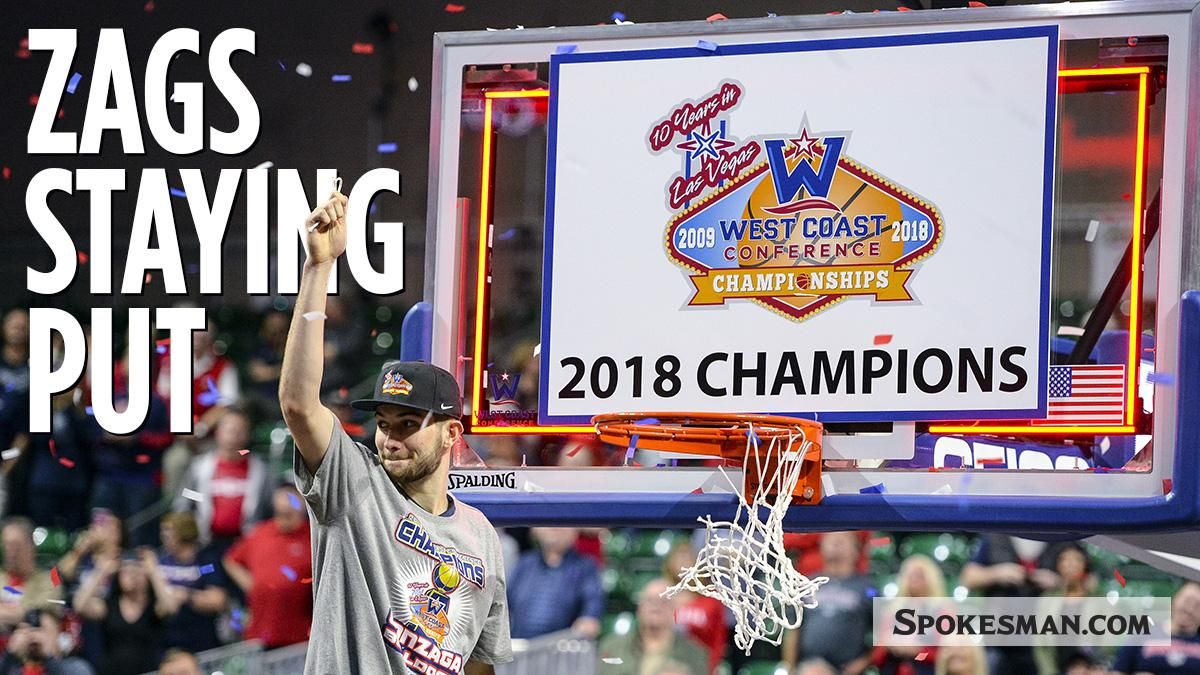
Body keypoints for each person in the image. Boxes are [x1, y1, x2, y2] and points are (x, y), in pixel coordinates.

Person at [279, 189, 511, 672]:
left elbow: (481, 664)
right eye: (384, 424)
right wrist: (318, 268)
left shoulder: (481, 535)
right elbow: (299, 404)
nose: (390, 438)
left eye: (408, 424)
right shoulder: (355, 483)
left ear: (452, 434)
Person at [961, 535, 1067, 675]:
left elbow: (1089, 579)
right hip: (1000, 637)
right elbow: (968, 577)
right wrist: (997, 573)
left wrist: (1057, 582)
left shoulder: (1061, 539)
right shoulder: (995, 539)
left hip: (1042, 639)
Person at [221, 486, 312, 648]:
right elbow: (231, 560)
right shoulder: (260, 534)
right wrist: (252, 585)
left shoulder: (312, 537)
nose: (284, 519)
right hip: (259, 632)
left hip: (300, 635)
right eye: (280, 514)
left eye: (288, 514)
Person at [174, 408, 273, 551]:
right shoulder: (200, 467)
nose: (234, 436)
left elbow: (270, 507)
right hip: (206, 545)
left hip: (247, 546)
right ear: (218, 433)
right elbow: (184, 499)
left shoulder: (260, 471)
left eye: (240, 431)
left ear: (248, 435)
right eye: (230, 430)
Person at [72, 549, 181, 675]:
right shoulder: (110, 605)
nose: (131, 576)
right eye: (125, 572)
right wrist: (101, 571)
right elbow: (79, 605)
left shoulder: (154, 606)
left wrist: (154, 571)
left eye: (135, 571)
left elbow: (171, 607)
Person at [783, 531, 873, 674]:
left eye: (842, 540)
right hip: (809, 666)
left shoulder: (867, 587)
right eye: (830, 539)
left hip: (847, 669)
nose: (835, 542)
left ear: (856, 550)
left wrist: (864, 662)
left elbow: (885, 631)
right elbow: (793, 629)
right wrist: (790, 668)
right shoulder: (807, 584)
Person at [596, 577, 709, 675]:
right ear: (640, 608)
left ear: (675, 610)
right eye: (650, 601)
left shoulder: (694, 653)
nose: (656, 607)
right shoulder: (612, 647)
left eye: (664, 601)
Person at [507, 527, 604, 639]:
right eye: (547, 522)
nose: (554, 528)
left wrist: (587, 623)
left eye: (563, 524)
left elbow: (591, 611)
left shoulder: (585, 567)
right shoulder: (524, 564)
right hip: (519, 648)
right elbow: (505, 605)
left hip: (562, 650)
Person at [157, 513, 228, 654]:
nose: (163, 536)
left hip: (201, 637)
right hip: (168, 638)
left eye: (169, 531)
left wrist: (186, 596)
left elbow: (218, 600)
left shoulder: (205, 564)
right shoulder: (161, 563)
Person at [870, 554, 945, 675]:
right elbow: (877, 656)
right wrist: (889, 646)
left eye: (920, 575)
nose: (914, 579)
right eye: (910, 575)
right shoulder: (893, 611)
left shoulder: (941, 612)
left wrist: (918, 652)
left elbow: (945, 655)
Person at [663, 540, 727, 673]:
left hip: (700, 665)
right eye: (679, 557)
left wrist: (710, 668)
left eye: (687, 557)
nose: (683, 562)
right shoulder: (660, 595)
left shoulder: (711, 599)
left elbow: (718, 640)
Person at [1112, 581, 1200, 674]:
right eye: (1187, 601)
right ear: (1174, 600)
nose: (1190, 609)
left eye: (1197, 606)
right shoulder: (1141, 636)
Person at [0, 518, 65, 630]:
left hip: (33, 638)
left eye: (16, 545)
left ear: (31, 546)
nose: (11, 552)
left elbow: (41, 613)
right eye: (7, 545)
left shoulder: (50, 579)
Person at [0, 607, 94, 675]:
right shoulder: (11, 668)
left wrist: (47, 657)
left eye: (41, 630)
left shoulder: (76, 667)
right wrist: (10, 653)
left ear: (59, 635)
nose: (34, 635)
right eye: (31, 629)